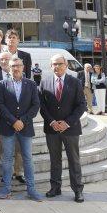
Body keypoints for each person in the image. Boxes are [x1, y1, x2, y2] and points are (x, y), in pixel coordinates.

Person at [39, 54, 87, 203]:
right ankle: (55, 187)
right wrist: (52, 121)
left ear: (66, 65)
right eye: (54, 64)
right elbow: (42, 106)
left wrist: (67, 122)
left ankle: (78, 190)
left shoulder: (75, 82)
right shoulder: (45, 82)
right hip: (52, 128)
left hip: (70, 128)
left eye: (60, 63)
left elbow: (81, 105)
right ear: (50, 66)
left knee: (74, 160)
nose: (57, 66)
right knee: (55, 160)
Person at [0, 56, 43, 201]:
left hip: (26, 127)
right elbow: (0, 105)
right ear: (8, 69)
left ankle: (31, 189)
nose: (15, 68)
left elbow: (35, 105)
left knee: (27, 159)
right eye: (12, 66)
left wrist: (22, 121)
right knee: (7, 159)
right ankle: (6, 188)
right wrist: (13, 121)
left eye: (18, 66)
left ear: (23, 67)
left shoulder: (31, 84)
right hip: (7, 127)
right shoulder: (2, 84)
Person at [0, 51, 25, 183]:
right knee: (4, 150)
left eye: (6, 59)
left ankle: (18, 172)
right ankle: (7, 174)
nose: (4, 61)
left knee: (19, 149)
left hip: (20, 121)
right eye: (1, 59)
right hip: (2, 121)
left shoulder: (23, 77)